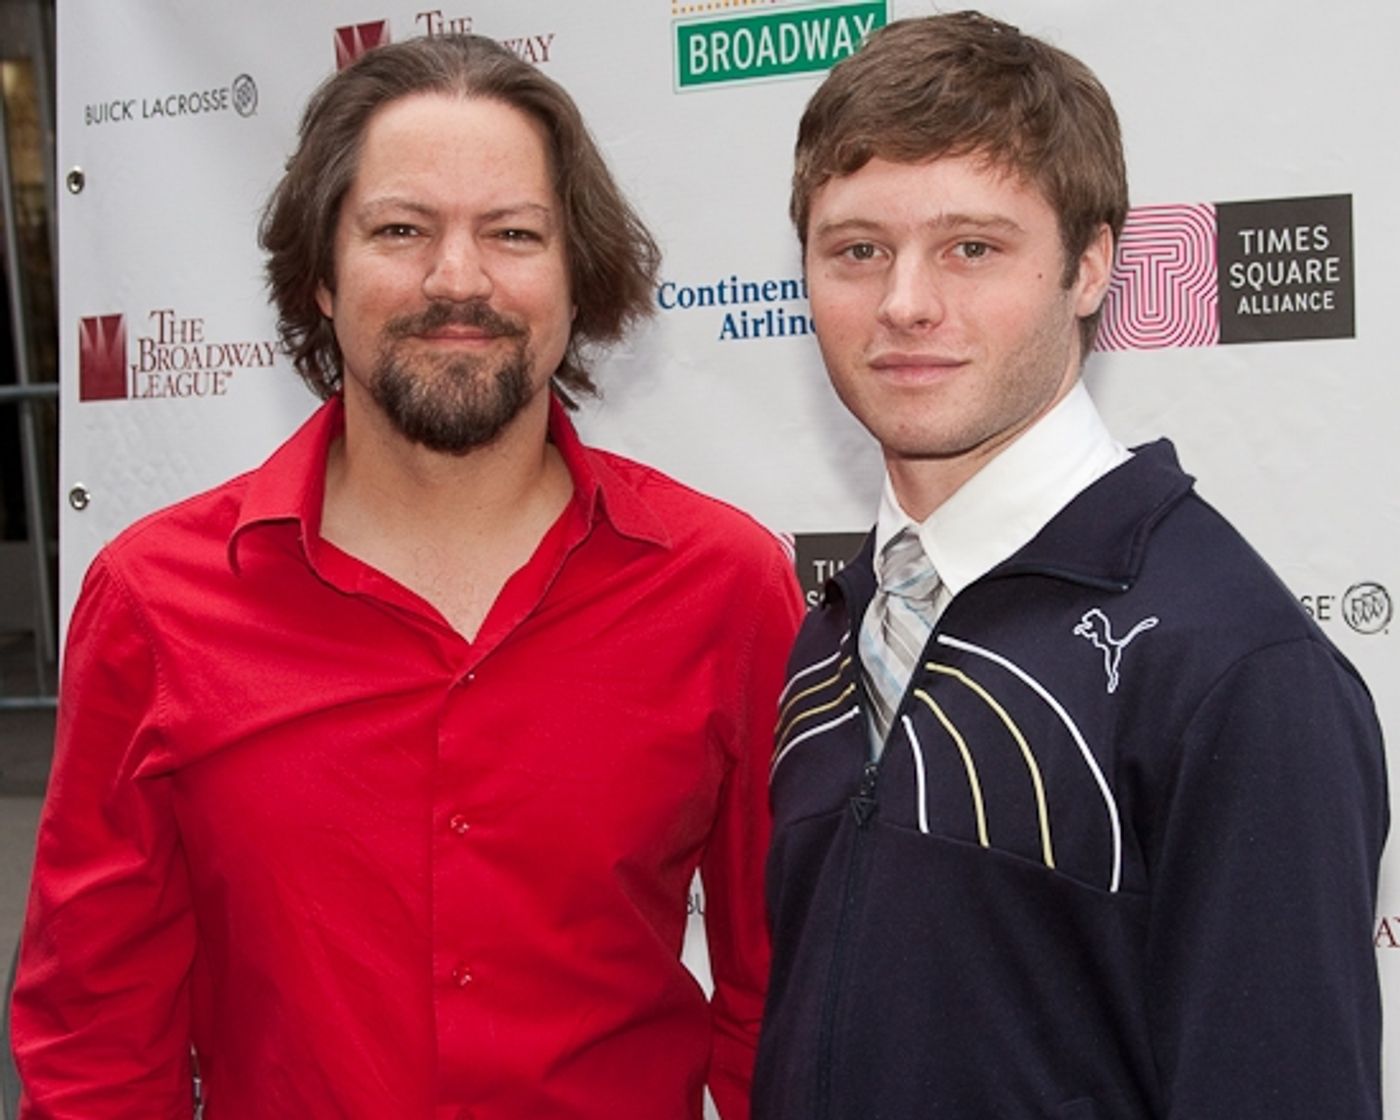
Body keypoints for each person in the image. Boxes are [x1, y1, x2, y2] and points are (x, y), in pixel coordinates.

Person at [12, 34, 802, 1119]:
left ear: (580, 280)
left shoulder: (723, 583)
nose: (457, 279)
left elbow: (784, 1004)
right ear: (321, 279)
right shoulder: (155, 599)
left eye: (514, 233)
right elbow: (95, 1035)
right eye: (400, 230)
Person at [753, 13, 1387, 1119]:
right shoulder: (837, 627)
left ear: (1089, 265)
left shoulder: (1234, 671)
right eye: (857, 249)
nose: (903, 302)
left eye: (971, 247)